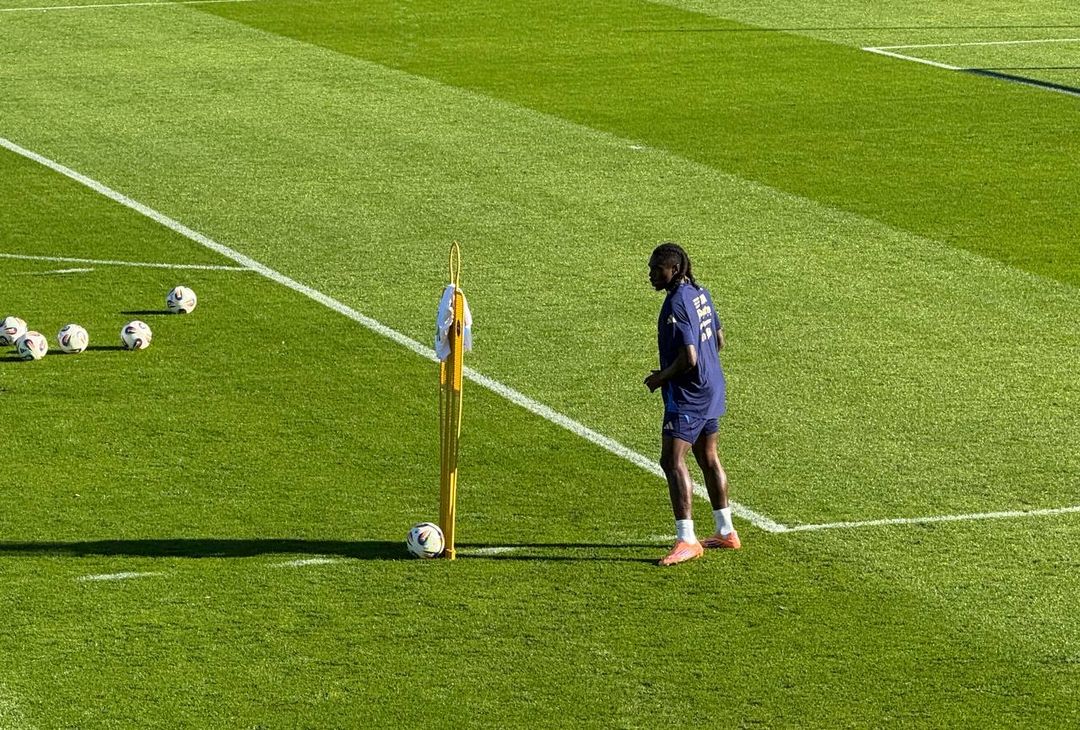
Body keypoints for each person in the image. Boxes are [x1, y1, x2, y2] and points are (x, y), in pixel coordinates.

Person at [644, 242, 740, 566]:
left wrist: (661, 378)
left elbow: (689, 357)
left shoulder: (677, 304)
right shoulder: (700, 293)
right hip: (711, 387)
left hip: (689, 396)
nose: (651, 275)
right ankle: (726, 530)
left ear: (673, 270)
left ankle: (687, 539)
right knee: (708, 456)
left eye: (656, 269)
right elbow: (720, 339)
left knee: (671, 461)